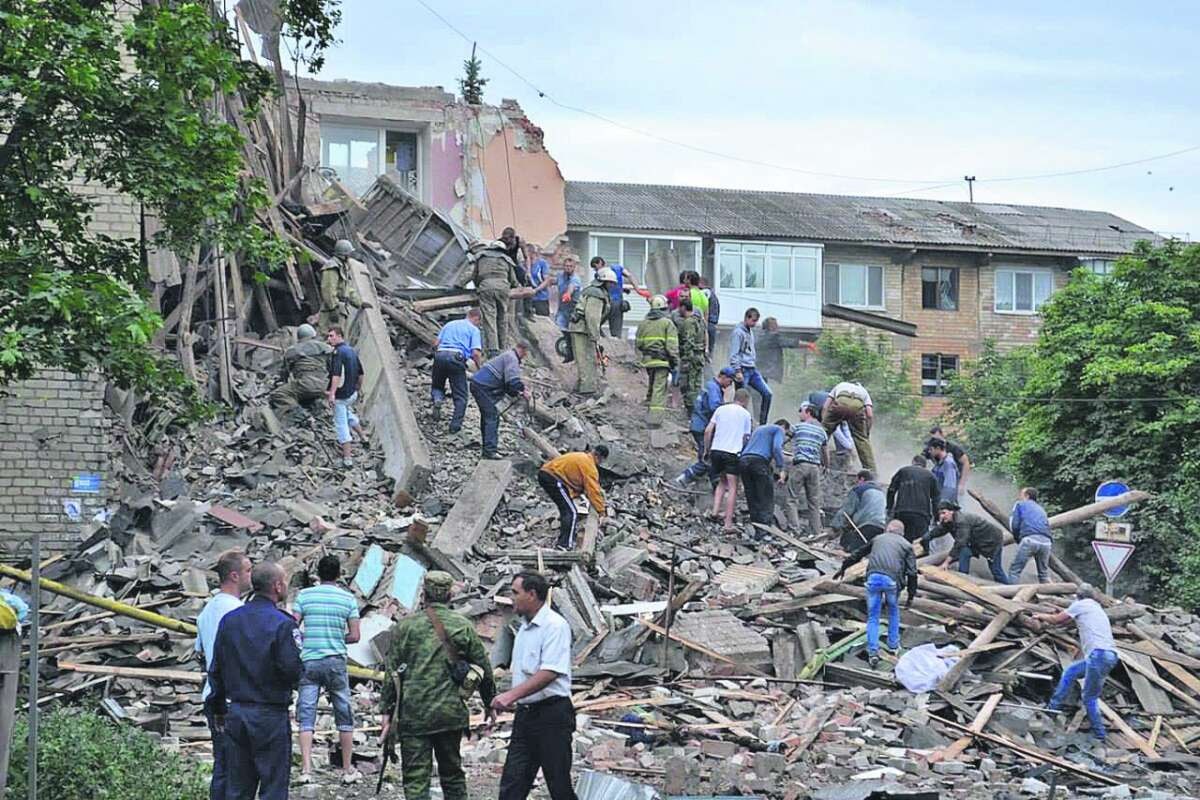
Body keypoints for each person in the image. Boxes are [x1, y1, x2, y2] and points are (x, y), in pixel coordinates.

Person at [379, 572, 496, 800]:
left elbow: (392, 672)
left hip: (414, 713)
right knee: (452, 775)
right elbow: (483, 667)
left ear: (423, 594)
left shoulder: (405, 627)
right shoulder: (463, 626)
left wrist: (386, 710)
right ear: (451, 594)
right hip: (449, 713)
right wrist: (489, 702)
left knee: (415, 780)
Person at [207, 562, 302, 800]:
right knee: (273, 786)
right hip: (270, 713)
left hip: (236, 712)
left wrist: (218, 707)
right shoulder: (283, 624)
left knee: (237, 787)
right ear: (277, 585)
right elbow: (293, 671)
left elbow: (216, 668)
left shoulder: (230, 620)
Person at [494, 572, 578, 800]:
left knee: (558, 785)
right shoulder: (523, 628)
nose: (511, 598)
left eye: (515, 592)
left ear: (532, 594)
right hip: (526, 715)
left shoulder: (555, 626)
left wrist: (510, 695)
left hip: (552, 715)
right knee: (512, 784)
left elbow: (550, 671)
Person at [294, 555, 362, 785]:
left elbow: (292, 627)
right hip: (335, 661)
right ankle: (347, 770)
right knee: (344, 714)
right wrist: (336, 637)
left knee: (306, 716)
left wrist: (307, 638)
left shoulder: (304, 596)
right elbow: (355, 636)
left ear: (318, 574)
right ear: (339, 574)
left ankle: (305, 770)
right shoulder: (348, 599)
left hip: (310, 661)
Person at [195, 550, 251, 800]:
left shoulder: (207, 610)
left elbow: (200, 653)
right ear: (235, 575)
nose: (253, 575)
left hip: (213, 695)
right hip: (234, 699)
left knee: (223, 765)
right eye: (249, 570)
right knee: (240, 769)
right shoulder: (237, 611)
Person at [1034, 584, 1119, 742]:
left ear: (1078, 596)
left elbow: (1057, 620)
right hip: (1109, 655)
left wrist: (1040, 616)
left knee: (1089, 697)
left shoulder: (1081, 605)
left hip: (1098, 655)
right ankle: (1052, 709)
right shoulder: (1096, 608)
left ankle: (1100, 735)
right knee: (1071, 672)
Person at [835, 519, 917, 667]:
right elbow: (912, 573)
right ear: (902, 533)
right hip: (892, 581)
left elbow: (857, 554)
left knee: (873, 617)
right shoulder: (907, 545)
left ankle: (873, 651)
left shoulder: (878, 539)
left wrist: (843, 568)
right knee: (893, 611)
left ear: (888, 529)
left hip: (873, 579)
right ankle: (893, 647)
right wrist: (911, 595)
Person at [537, 447, 608, 550]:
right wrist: (601, 511)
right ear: (599, 457)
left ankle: (563, 541)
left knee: (566, 509)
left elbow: (573, 481)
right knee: (571, 512)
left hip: (548, 474)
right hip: (553, 477)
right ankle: (564, 545)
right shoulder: (589, 466)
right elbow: (593, 490)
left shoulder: (580, 456)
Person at [922, 500, 1010, 584]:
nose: (941, 516)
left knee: (996, 570)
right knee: (965, 552)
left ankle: (1008, 589)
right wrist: (927, 537)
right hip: (976, 542)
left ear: (951, 511)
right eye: (940, 514)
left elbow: (960, 543)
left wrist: (946, 563)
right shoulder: (949, 520)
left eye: (944, 513)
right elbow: (940, 529)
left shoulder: (961, 521)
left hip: (992, 541)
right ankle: (963, 577)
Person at [675, 367, 736, 486]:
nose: (730, 385)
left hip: (698, 424)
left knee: (709, 457)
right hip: (702, 426)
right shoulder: (713, 388)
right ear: (723, 377)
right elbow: (715, 407)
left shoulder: (711, 386)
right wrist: (728, 407)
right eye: (730, 381)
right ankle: (683, 479)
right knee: (707, 459)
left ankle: (714, 484)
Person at [470, 344, 531, 460]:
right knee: (492, 416)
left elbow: (510, 385)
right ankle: (489, 451)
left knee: (488, 416)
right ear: (523, 350)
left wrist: (519, 391)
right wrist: (523, 390)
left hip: (479, 384)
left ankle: (488, 448)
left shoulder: (508, 356)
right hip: (482, 386)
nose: (525, 356)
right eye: (526, 353)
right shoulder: (512, 358)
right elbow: (512, 383)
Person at [705, 389, 753, 532]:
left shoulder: (721, 409)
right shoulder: (745, 414)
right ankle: (727, 524)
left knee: (721, 481)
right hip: (732, 452)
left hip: (716, 450)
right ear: (745, 400)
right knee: (733, 487)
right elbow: (746, 437)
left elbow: (708, 430)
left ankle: (714, 512)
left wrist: (707, 450)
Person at [432, 309, 484, 433]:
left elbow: (435, 344)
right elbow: (475, 353)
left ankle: (438, 399)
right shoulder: (474, 330)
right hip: (456, 358)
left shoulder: (449, 324)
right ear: (476, 318)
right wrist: (479, 368)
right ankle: (454, 427)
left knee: (437, 385)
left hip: (440, 354)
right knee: (461, 395)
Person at [567, 267, 616, 396]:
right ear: (603, 281)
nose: (612, 285)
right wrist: (595, 335)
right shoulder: (596, 294)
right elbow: (592, 317)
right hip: (582, 329)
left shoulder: (595, 291)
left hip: (582, 329)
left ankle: (580, 387)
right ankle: (587, 390)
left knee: (585, 359)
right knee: (586, 360)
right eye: (610, 282)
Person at [469, 239, 521, 357]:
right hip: (503, 289)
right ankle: (503, 347)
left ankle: (493, 349)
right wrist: (516, 286)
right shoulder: (506, 259)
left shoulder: (481, 257)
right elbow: (513, 280)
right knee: (502, 317)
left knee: (489, 318)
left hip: (486, 288)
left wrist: (479, 286)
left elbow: (474, 276)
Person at [634, 294, 679, 424]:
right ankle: (655, 419)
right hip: (662, 362)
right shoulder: (667, 323)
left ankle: (646, 412)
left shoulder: (643, 323)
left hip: (648, 361)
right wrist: (675, 361)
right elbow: (672, 346)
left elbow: (638, 344)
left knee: (652, 387)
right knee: (659, 390)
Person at [325, 326, 366, 467]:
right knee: (348, 415)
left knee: (341, 425)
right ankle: (363, 437)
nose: (329, 339)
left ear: (339, 336)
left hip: (341, 396)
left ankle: (347, 458)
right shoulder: (352, 351)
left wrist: (332, 394)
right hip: (351, 394)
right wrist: (358, 390)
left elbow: (336, 375)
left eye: (331, 336)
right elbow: (361, 374)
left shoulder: (338, 353)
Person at [739, 419, 791, 527]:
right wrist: (781, 468)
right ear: (784, 427)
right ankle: (765, 527)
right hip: (759, 462)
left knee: (751, 495)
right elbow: (777, 447)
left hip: (744, 461)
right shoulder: (779, 429)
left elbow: (746, 444)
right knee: (765, 496)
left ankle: (756, 527)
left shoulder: (758, 430)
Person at [269, 324, 333, 412]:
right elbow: (333, 369)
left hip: (305, 384)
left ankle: (301, 415)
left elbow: (284, 374)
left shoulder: (292, 350)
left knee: (278, 394)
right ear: (313, 335)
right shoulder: (327, 348)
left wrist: (277, 383)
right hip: (323, 385)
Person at [728, 308, 773, 425]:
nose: (755, 324)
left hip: (752, 369)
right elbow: (734, 353)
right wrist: (737, 370)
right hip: (742, 369)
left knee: (767, 393)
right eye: (753, 321)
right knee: (742, 398)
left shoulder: (749, 331)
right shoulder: (738, 332)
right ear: (747, 318)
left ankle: (763, 423)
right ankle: (740, 422)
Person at [790, 402, 828, 537]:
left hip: (800, 465)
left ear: (808, 413)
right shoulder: (822, 431)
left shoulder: (798, 427)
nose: (799, 413)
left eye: (801, 411)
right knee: (814, 501)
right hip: (815, 468)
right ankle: (816, 531)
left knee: (791, 499)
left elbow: (784, 438)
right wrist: (826, 466)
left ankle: (795, 530)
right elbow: (825, 451)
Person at [820, 381, 876, 472]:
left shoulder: (840, 385)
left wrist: (824, 423)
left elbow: (825, 406)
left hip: (841, 403)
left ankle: (816, 459)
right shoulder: (863, 390)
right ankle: (871, 471)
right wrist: (866, 433)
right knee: (861, 440)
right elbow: (869, 414)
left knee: (823, 434)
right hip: (857, 407)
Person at [887, 455, 940, 541]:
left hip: (902, 512)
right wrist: (936, 517)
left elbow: (891, 490)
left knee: (900, 539)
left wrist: (889, 508)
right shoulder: (931, 476)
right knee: (920, 544)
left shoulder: (903, 471)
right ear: (925, 465)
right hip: (922, 515)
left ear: (913, 462)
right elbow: (936, 499)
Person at [1007, 487, 1054, 584]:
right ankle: (1054, 596)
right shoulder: (1041, 509)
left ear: (1027, 496)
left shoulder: (1020, 504)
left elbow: (1014, 525)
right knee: (1043, 574)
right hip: (1047, 543)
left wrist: (1017, 539)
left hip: (1030, 540)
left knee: (1014, 571)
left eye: (1021, 494)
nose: (1019, 496)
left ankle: (1011, 597)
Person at [318, 239, 366, 332]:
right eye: (349, 253)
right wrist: (333, 308)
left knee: (338, 340)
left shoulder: (342, 267)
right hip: (332, 311)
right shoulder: (332, 267)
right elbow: (328, 290)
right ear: (344, 254)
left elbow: (347, 290)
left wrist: (360, 303)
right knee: (327, 338)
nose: (350, 256)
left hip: (341, 309)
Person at [833, 470, 887, 551]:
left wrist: (835, 527)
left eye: (857, 481)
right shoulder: (881, 492)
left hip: (865, 526)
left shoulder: (859, 489)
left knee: (853, 553)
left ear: (862, 479)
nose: (856, 483)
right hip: (881, 526)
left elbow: (846, 510)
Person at [672, 299, 707, 421]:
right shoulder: (700, 321)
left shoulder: (689, 323)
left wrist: (686, 360)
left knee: (688, 386)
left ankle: (692, 414)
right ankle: (697, 412)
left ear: (683, 308)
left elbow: (688, 342)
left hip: (691, 359)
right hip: (699, 357)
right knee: (696, 386)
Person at [924, 426, 972, 497]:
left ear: (942, 435)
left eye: (936, 438)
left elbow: (966, 463)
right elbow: (921, 461)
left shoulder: (953, 449)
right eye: (932, 438)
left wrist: (961, 484)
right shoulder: (931, 448)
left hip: (954, 481)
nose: (934, 440)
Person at [605, 260, 643, 336]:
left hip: (605, 302)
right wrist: (637, 289)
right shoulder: (618, 269)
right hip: (617, 302)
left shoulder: (601, 272)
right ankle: (616, 340)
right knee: (616, 330)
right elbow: (629, 276)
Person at [554, 256, 582, 331]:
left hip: (574, 311)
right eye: (566, 266)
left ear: (574, 267)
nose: (568, 268)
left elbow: (571, 286)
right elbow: (552, 281)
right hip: (562, 310)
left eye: (570, 266)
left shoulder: (576, 278)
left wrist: (568, 294)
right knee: (559, 330)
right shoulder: (560, 276)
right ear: (563, 266)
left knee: (571, 333)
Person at [928, 439, 960, 504]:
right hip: (938, 500)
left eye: (931, 449)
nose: (929, 452)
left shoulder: (948, 463)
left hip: (946, 504)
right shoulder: (938, 464)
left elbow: (950, 486)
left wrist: (944, 503)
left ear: (938, 448)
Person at [756, 317, 785, 385]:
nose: (778, 327)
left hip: (759, 372)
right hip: (769, 373)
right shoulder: (772, 337)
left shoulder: (758, 337)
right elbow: (790, 342)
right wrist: (809, 345)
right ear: (771, 327)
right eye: (775, 325)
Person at [528, 246, 552, 317]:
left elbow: (546, 280)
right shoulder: (524, 264)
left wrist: (536, 290)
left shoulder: (542, 263)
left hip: (541, 297)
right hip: (528, 297)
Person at [700, 278, 720, 357]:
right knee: (709, 353)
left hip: (708, 323)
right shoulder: (713, 295)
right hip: (712, 323)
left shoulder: (706, 292)